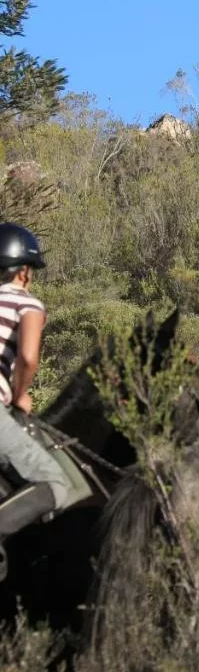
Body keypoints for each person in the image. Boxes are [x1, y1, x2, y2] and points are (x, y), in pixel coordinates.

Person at [0, 223, 75, 542]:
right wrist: (20, 395)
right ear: (25, 273)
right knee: (53, 484)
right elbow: (28, 358)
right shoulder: (27, 303)